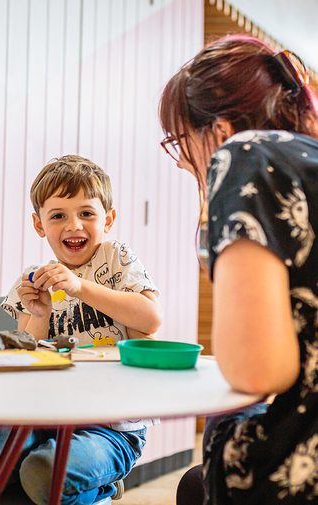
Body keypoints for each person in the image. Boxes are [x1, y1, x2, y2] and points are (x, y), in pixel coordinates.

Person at [159, 35, 318, 504]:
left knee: (203, 474)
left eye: (179, 140)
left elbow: (257, 371)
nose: (184, 160)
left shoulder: (245, 153)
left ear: (220, 129)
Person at [0, 154, 162, 504]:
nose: (74, 226)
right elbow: (23, 359)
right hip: (40, 417)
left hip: (110, 427)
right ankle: (46, 475)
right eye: (58, 216)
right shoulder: (34, 278)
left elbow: (150, 318)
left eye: (86, 214)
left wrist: (81, 288)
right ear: (40, 225)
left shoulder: (117, 258)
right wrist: (38, 312)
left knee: (44, 474)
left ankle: (98, 484)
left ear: (108, 219)